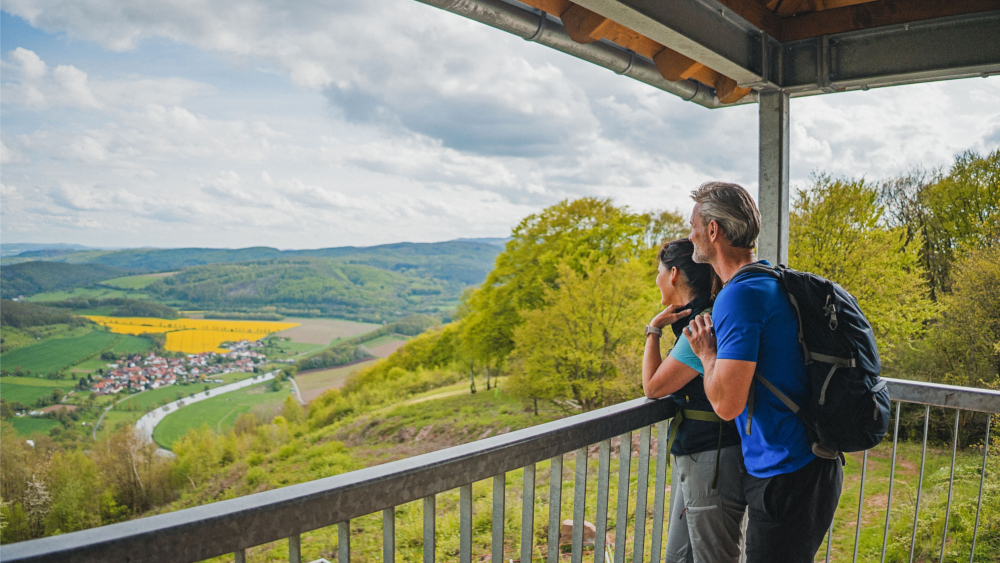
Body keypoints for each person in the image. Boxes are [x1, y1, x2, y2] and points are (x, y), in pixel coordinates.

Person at [682, 182, 843, 562]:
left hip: (789, 471)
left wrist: (706, 354)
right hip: (801, 462)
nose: (689, 235)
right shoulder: (768, 278)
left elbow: (726, 403)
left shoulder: (740, 296)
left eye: (693, 225)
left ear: (713, 231)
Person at [642, 238, 746, 563]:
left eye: (658, 271)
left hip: (710, 458)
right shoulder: (704, 315)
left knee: (716, 557)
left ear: (673, 274)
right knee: (679, 557)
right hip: (704, 454)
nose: (656, 278)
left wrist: (653, 330)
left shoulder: (700, 324)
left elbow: (653, 387)